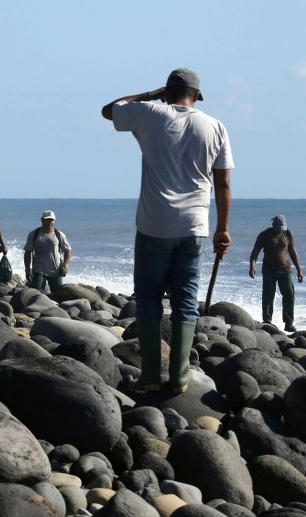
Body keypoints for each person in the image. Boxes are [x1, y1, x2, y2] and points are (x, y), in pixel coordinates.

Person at [102, 67, 233, 394]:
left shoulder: (149, 113)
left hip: (153, 224)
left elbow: (109, 110)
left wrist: (149, 95)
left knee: (148, 298)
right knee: (186, 299)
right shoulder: (215, 126)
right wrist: (223, 229)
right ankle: (179, 377)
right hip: (194, 226)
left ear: (167, 91)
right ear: (196, 95)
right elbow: (224, 182)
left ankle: (149, 373)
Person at [249, 215, 304, 332]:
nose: (280, 229)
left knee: (289, 295)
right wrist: (252, 267)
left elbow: (293, 252)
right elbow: (255, 252)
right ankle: (267, 320)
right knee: (268, 295)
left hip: (286, 270)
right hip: (269, 270)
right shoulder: (264, 235)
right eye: (278, 227)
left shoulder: (287, 234)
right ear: (273, 225)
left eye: (282, 227)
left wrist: (299, 270)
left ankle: (288, 323)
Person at [23, 210, 72, 294]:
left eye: (51, 220)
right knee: (36, 293)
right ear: (42, 220)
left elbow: (67, 251)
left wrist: (65, 266)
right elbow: (28, 252)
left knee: (58, 294)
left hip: (56, 270)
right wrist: (28, 269)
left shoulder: (59, 234)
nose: (49, 222)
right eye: (47, 220)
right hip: (39, 269)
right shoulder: (34, 234)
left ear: (54, 221)